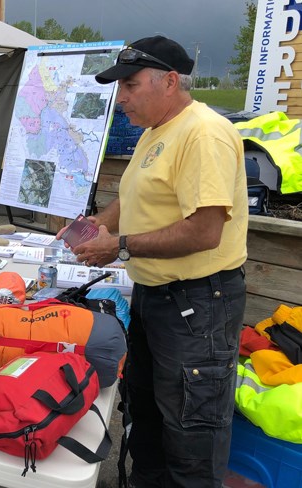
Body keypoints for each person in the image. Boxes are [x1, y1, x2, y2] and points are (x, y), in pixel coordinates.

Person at [57, 36, 248, 487]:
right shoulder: (154, 132)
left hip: (199, 305)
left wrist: (118, 246)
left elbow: (205, 231)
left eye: (130, 85)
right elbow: (130, 199)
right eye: (119, 87)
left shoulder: (204, 133)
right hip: (154, 298)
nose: (120, 97)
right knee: (145, 415)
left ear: (170, 81)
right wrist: (93, 226)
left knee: (191, 431)